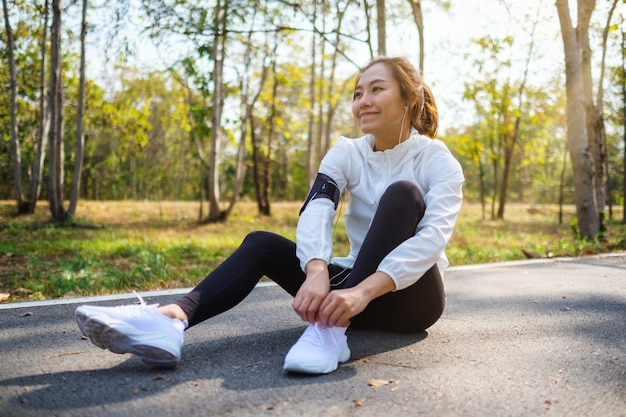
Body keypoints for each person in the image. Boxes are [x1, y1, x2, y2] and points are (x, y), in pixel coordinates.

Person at [75, 56, 464, 375]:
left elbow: (432, 240)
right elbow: (317, 208)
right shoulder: (347, 151)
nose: (363, 100)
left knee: (402, 194)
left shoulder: (436, 160)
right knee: (261, 242)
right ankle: (171, 319)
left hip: (409, 299)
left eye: (377, 89)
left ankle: (329, 329)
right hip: (345, 290)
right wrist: (315, 271)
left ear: (409, 97)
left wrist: (359, 292)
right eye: (358, 93)